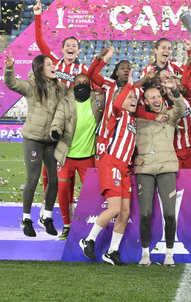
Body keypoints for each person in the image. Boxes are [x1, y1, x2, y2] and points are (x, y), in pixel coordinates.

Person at [33, 0, 89, 223]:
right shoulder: (54, 63)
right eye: (68, 44)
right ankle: (47, 208)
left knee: (68, 170)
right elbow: (40, 41)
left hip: (73, 126)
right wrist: (38, 16)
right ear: (63, 48)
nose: (71, 47)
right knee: (50, 171)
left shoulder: (83, 71)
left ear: (78, 50)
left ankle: (71, 208)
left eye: (75, 45)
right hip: (52, 123)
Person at [3, 51, 68, 237]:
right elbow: (11, 83)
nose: (53, 66)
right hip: (33, 138)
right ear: (40, 69)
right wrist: (9, 68)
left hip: (51, 141)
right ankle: (26, 219)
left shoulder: (60, 88)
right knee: (33, 179)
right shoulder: (32, 86)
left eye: (53, 63)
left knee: (54, 180)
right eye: (49, 64)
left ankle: (46, 217)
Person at [79, 74, 137, 266]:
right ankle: (88, 240)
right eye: (130, 96)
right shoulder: (117, 114)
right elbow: (119, 102)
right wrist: (128, 86)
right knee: (114, 208)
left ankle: (112, 252)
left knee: (125, 212)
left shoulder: (134, 119)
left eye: (134, 97)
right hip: (111, 163)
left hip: (125, 169)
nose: (133, 99)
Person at [134, 76, 185, 266]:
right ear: (145, 101)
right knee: (145, 213)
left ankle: (169, 254)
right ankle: (145, 254)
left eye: (158, 97)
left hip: (166, 168)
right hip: (144, 168)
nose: (156, 101)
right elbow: (123, 105)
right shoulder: (139, 118)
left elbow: (181, 109)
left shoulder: (169, 115)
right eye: (151, 98)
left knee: (170, 214)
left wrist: (176, 92)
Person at [49, 73, 105, 240]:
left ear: (90, 84)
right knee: (63, 189)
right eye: (78, 82)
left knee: (91, 192)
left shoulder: (98, 99)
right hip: (67, 155)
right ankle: (67, 225)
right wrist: (55, 131)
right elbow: (58, 120)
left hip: (88, 156)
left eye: (85, 82)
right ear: (73, 84)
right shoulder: (66, 101)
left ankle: (86, 224)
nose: (81, 85)